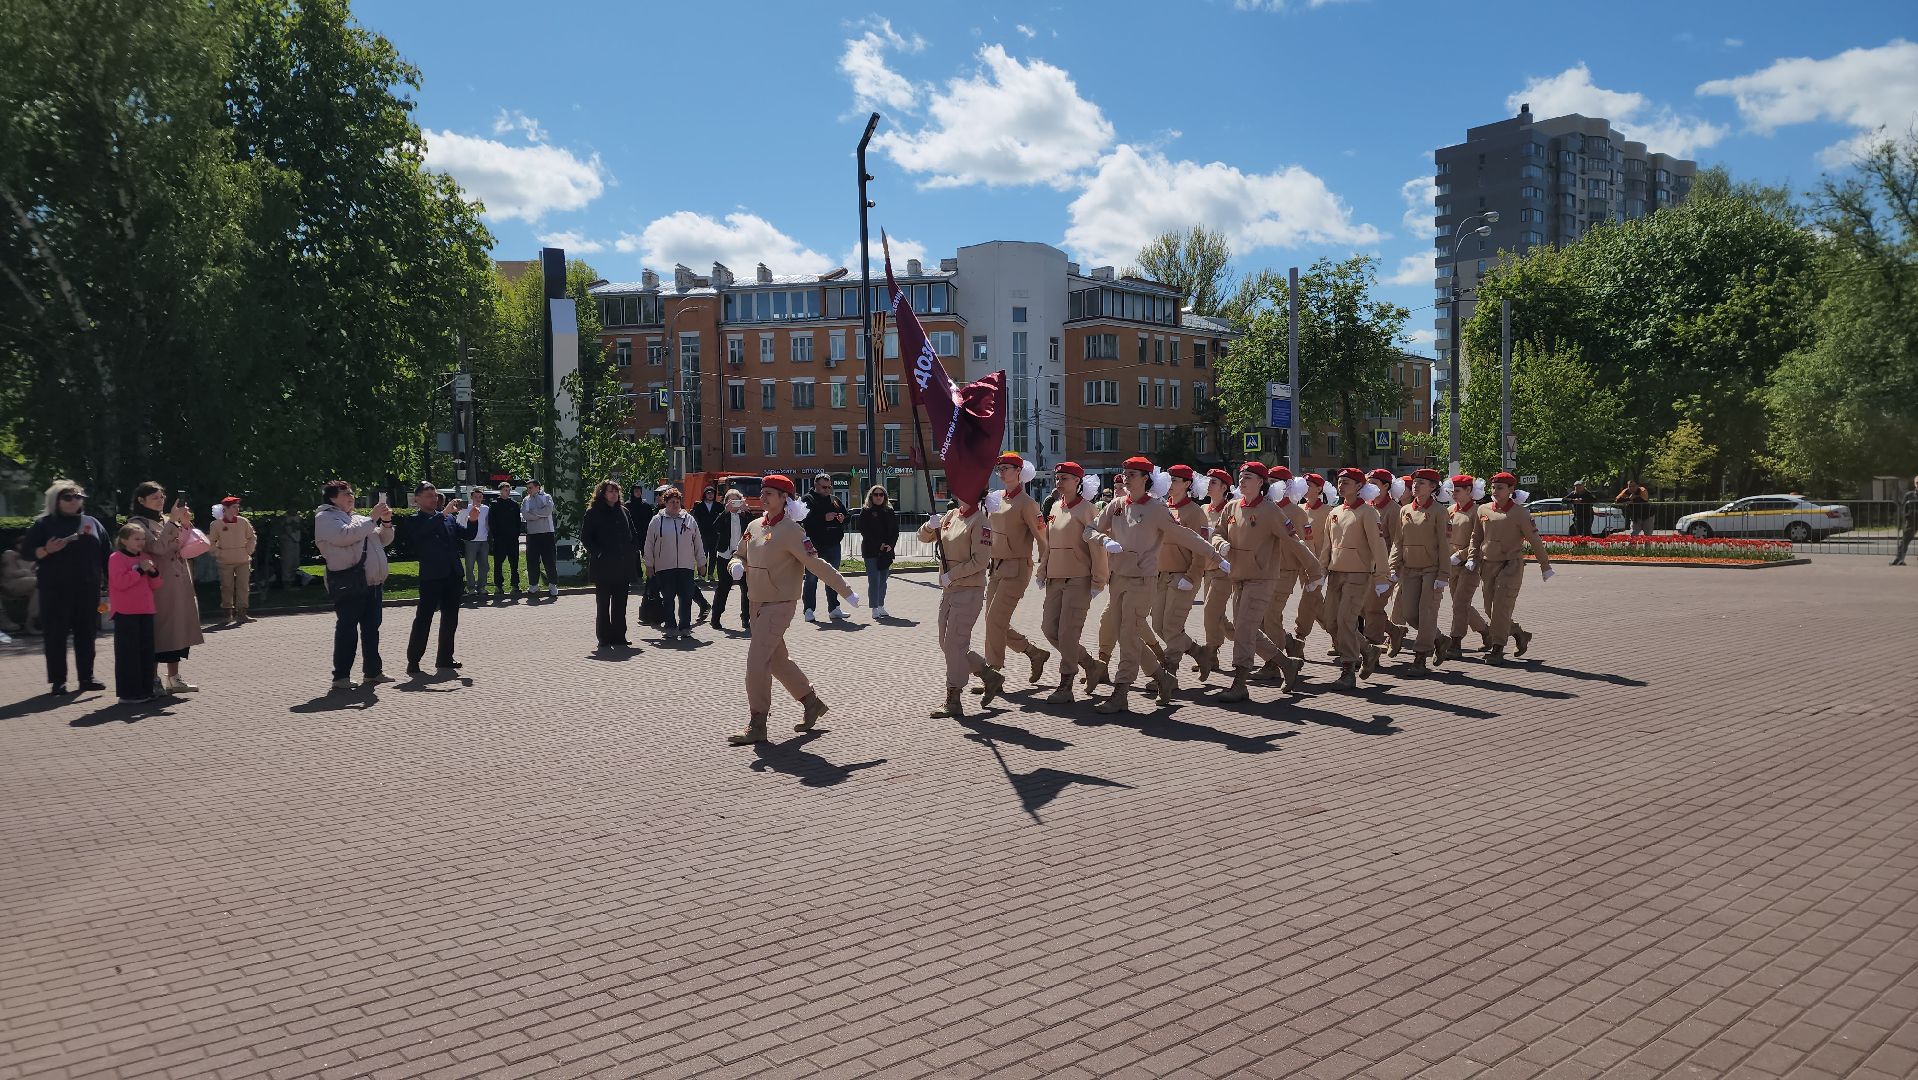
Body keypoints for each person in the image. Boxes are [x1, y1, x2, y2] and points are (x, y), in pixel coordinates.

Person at [726, 474, 860, 746]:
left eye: (769, 494)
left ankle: (758, 723)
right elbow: (738, 553)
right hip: (756, 602)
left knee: (756, 662)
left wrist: (845, 590)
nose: (763, 498)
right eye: (762, 493)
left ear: (784, 498)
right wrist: (735, 565)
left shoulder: (791, 530)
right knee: (776, 661)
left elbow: (816, 564)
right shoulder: (754, 524)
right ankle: (812, 703)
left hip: (780, 605)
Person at [1094, 456, 1222, 713]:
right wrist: (1101, 539)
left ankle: (1121, 691)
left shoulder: (1157, 509)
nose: (1126, 478)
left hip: (1143, 580)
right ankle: (1163, 678)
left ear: (1146, 479)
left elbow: (1186, 536)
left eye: (1132, 474)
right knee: (1126, 633)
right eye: (1125, 473)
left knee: (1131, 633)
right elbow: (1090, 529)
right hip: (1118, 578)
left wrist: (1213, 555)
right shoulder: (1116, 505)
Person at [1214, 462, 1322, 702]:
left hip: (1262, 579)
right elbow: (1217, 532)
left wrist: (1314, 570)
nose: (1242, 481)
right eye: (1241, 477)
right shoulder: (1231, 507)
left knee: (1244, 629)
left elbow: (1294, 541)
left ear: (1261, 483)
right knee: (1249, 630)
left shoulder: (1271, 511)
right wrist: (1220, 544)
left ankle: (1239, 683)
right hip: (1239, 577)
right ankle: (1286, 663)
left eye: (1248, 477)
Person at [918, 493, 1001, 719]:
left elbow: (980, 561)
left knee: (954, 644)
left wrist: (952, 575)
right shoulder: (952, 515)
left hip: (968, 590)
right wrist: (929, 526)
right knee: (947, 644)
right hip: (949, 589)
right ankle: (987, 674)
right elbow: (923, 538)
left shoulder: (981, 521)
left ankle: (953, 698)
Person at [24, 480, 107, 694]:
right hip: (54, 590)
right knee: (55, 635)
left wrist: (109, 582)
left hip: (87, 589)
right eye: (68, 497)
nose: (74, 501)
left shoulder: (93, 523)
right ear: (56, 500)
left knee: (87, 634)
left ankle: (86, 678)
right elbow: (27, 552)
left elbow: (107, 555)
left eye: (78, 497)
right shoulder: (43, 524)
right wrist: (47, 549)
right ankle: (58, 680)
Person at [314, 480, 396, 689]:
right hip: (348, 582)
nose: (350, 496)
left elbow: (382, 540)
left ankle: (373, 672)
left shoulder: (358, 518)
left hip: (373, 583)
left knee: (371, 629)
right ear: (332, 497)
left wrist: (386, 523)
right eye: (345, 494)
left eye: (351, 493)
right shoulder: (325, 517)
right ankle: (341, 677)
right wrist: (373, 517)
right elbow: (344, 537)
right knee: (347, 629)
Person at [979, 452, 1051, 689]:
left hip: (1017, 568)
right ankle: (1033, 653)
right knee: (993, 622)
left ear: (1019, 471)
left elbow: (1042, 539)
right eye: (999, 468)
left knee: (995, 620)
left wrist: (1044, 569)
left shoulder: (1027, 503)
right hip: (996, 567)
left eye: (1007, 468)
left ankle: (993, 673)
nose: (1001, 472)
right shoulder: (995, 498)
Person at [1039, 463, 1110, 704]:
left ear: (1078, 482)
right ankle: (1091, 665)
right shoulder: (1055, 508)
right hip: (1055, 578)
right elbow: (1048, 544)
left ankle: (1066, 683)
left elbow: (1097, 547)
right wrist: (1042, 570)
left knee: (1068, 634)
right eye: (1057, 477)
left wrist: (1098, 580)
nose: (1059, 482)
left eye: (1065, 478)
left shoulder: (1087, 510)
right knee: (1049, 629)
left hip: (1078, 580)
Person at [124, 483, 204, 695]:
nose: (160, 501)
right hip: (159, 584)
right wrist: (173, 521)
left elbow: (183, 545)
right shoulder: (137, 523)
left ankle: (174, 678)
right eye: (155, 498)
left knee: (178, 629)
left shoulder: (166, 521)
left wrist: (186, 525)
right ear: (141, 500)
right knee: (161, 632)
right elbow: (157, 547)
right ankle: (153, 679)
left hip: (179, 581)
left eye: (162, 497)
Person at [1250, 465, 1325, 684]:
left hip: (1286, 570)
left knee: (1271, 614)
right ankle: (1288, 645)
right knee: (1262, 617)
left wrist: (1312, 574)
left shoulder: (1296, 512)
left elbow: (1307, 545)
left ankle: (1273, 664)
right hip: (1263, 570)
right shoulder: (1263, 507)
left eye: (1275, 482)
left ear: (1286, 486)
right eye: (1268, 481)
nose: (1269, 485)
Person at [1471, 471, 1555, 664]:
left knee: (1501, 607)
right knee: (1490, 609)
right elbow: (1476, 536)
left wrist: (1545, 566)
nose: (1495, 491)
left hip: (1511, 565)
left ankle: (1498, 648)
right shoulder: (1483, 509)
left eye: (1500, 488)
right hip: (1488, 564)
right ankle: (1519, 633)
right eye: (1493, 487)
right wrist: (1472, 557)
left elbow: (1534, 539)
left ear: (1511, 490)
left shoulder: (1520, 513)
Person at [1320, 469, 1393, 690]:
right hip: (1336, 574)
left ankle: (1348, 669)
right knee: (1331, 621)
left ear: (1359, 486)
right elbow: (1327, 546)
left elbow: (1378, 546)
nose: (1341, 486)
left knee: (1345, 621)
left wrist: (1382, 576)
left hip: (1358, 575)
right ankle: (1369, 651)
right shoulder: (1334, 512)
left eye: (1347, 483)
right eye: (1339, 482)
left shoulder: (1368, 513)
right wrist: (1319, 573)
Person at [404, 483, 479, 674]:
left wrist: (473, 520)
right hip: (432, 576)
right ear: (417, 499)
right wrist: (444, 513)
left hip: (452, 575)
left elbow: (468, 535)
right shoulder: (415, 520)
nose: (434, 499)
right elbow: (424, 532)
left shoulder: (448, 519)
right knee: (424, 619)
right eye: (429, 496)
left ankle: (445, 658)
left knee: (450, 619)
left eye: (435, 495)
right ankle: (414, 660)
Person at [1152, 465, 1212, 681]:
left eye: (1175, 480)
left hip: (1183, 576)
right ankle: (1199, 652)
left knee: (1171, 627)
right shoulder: (1161, 508)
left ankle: (1169, 674)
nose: (1171, 484)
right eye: (1169, 479)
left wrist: (1192, 576)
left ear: (1187, 484)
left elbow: (1202, 547)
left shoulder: (1195, 512)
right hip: (1161, 576)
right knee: (1158, 625)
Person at [1390, 469, 1449, 675]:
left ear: (1433, 487)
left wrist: (1443, 574)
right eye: (1415, 482)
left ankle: (1420, 658)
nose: (1415, 486)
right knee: (1409, 614)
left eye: (1422, 483)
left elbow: (1444, 545)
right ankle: (1439, 639)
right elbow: (1399, 541)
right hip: (1409, 569)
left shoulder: (1440, 512)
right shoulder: (1405, 510)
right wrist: (1393, 566)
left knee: (1426, 613)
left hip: (1431, 570)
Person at [107, 523, 163, 702]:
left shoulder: (145, 557)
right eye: (136, 539)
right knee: (128, 653)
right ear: (124, 540)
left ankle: (146, 689)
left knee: (146, 652)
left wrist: (153, 572)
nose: (141, 542)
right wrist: (139, 570)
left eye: (143, 539)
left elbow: (156, 585)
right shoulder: (116, 558)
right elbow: (120, 583)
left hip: (145, 609)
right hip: (125, 611)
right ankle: (129, 693)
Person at [581, 480, 639, 649]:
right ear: (602, 493)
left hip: (622, 566)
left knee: (621, 604)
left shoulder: (624, 511)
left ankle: (619, 636)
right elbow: (586, 538)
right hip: (603, 567)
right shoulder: (593, 512)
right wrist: (599, 552)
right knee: (604, 604)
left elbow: (633, 534)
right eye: (610, 491)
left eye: (616, 491)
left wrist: (633, 549)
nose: (614, 494)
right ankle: (604, 637)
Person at [645, 488, 707, 641]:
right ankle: (670, 627)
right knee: (668, 599)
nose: (674, 505)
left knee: (686, 598)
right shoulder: (656, 520)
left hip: (686, 566)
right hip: (664, 566)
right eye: (671, 502)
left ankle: (685, 627)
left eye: (677, 502)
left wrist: (701, 563)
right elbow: (649, 544)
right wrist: (649, 565)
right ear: (665, 503)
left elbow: (697, 542)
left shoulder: (689, 520)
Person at [1440, 475, 1491, 661]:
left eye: (1458, 490)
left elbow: (1479, 541)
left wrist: (1461, 555)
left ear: (1469, 491)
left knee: (1459, 604)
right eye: (1452, 490)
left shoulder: (1478, 512)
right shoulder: (1450, 510)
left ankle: (1455, 642)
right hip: (1451, 565)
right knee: (1461, 605)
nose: (1453, 494)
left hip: (1470, 564)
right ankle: (1486, 631)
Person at [1361, 468, 1409, 656]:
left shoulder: (1394, 510)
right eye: (1368, 483)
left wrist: (1393, 568)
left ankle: (1371, 650)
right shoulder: (1367, 507)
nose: (1369, 487)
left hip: (1386, 567)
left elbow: (1399, 542)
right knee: (1363, 607)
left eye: (1374, 483)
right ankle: (1395, 631)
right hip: (1366, 567)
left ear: (1386, 486)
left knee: (1373, 608)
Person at [1287, 473, 1334, 659]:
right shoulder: (1298, 509)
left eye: (1310, 484)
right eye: (1304, 484)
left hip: (1318, 564)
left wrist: (1324, 564)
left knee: (1308, 599)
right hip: (1300, 563)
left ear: (1319, 489)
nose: (1305, 487)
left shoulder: (1328, 511)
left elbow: (1331, 540)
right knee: (1316, 604)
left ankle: (1299, 639)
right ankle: (1340, 636)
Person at [1197, 468, 1237, 677]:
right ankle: (1251, 640)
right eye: (1208, 481)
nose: (1209, 485)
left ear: (1224, 488)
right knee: (1216, 616)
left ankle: (1210, 654)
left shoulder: (1230, 510)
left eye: (1214, 482)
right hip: (1207, 570)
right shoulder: (1203, 509)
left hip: (1224, 570)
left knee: (1210, 613)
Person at [801, 473, 849, 622]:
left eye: (829, 487)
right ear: (816, 485)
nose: (827, 490)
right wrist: (823, 518)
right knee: (811, 579)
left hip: (833, 544)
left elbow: (847, 516)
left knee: (833, 577)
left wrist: (843, 518)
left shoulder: (834, 500)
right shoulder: (807, 499)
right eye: (824, 487)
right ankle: (808, 610)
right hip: (814, 545)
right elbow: (804, 520)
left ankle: (834, 608)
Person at [711, 488, 758, 631]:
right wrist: (725, 511)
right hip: (725, 555)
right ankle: (716, 618)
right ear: (726, 503)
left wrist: (747, 511)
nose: (734, 504)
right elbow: (715, 528)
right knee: (723, 587)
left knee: (746, 588)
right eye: (730, 501)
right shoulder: (723, 515)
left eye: (737, 500)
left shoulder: (745, 516)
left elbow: (754, 531)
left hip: (743, 556)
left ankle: (746, 618)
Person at [209, 496, 257, 624]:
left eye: (238, 507)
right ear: (226, 508)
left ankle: (242, 613)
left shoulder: (243, 521)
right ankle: (227, 614)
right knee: (226, 587)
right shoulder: (216, 524)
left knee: (243, 586)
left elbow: (252, 537)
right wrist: (219, 553)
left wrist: (248, 550)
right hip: (225, 561)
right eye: (234, 507)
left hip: (243, 560)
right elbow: (211, 542)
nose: (237, 509)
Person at [855, 485, 898, 619]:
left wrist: (890, 545)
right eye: (876, 494)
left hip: (886, 551)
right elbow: (865, 531)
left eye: (881, 495)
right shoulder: (866, 511)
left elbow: (895, 531)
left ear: (885, 497)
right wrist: (879, 545)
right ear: (871, 496)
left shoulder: (889, 511)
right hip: (871, 550)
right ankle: (874, 607)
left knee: (883, 580)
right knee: (874, 580)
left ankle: (880, 605)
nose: (878, 497)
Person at [522, 479, 558, 598]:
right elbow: (525, 514)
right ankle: (533, 585)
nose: (529, 490)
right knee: (532, 561)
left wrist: (534, 513)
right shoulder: (526, 500)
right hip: (532, 534)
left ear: (538, 487)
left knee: (549, 560)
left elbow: (548, 511)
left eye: (531, 487)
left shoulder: (546, 497)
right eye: (528, 488)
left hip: (547, 533)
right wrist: (539, 514)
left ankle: (552, 584)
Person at [488, 482, 523, 596]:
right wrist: (495, 536)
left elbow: (518, 522)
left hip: (512, 539)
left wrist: (516, 534)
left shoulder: (514, 504)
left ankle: (515, 585)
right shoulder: (494, 504)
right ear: (500, 491)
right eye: (505, 490)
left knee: (514, 564)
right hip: (500, 539)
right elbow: (491, 522)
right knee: (498, 563)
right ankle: (498, 586)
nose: (507, 492)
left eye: (508, 490)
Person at [1, 536, 39, 635]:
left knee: (42, 586)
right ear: (18, 545)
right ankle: (30, 623)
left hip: (26, 585)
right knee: (39, 582)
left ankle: (31, 621)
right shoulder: (10, 554)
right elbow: (9, 574)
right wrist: (25, 571)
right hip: (10, 584)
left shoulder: (31, 557)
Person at [692, 485, 722, 583]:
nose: (710, 495)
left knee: (713, 555)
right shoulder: (699, 506)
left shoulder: (718, 506)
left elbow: (723, 518)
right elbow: (695, 519)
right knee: (703, 554)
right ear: (705, 494)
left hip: (715, 534)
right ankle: (701, 574)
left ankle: (710, 575)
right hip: (702, 534)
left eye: (712, 493)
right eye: (708, 493)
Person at [1892, 474, 1917, 566]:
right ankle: (1899, 559)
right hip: (1911, 520)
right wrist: (1904, 519)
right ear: (1915, 484)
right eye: (1917, 483)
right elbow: (1903, 508)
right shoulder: (1909, 495)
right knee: (1905, 540)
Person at [277, 509, 305, 588]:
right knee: (287, 562)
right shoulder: (284, 518)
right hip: (287, 542)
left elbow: (301, 527)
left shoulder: (298, 517)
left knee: (295, 562)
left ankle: (292, 581)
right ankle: (287, 583)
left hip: (296, 541)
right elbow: (280, 530)